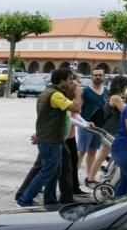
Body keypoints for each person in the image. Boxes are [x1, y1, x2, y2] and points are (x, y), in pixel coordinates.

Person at [16, 67, 80, 207]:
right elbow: (76, 108)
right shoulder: (56, 95)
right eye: (69, 79)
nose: (71, 82)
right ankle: (24, 200)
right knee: (47, 172)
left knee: (54, 172)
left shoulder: (50, 92)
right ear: (61, 80)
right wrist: (78, 92)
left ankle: (50, 201)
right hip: (51, 141)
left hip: (51, 139)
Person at [87, 74, 127, 185]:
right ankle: (90, 179)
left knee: (113, 155)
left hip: (117, 129)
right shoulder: (116, 98)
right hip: (111, 129)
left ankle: (107, 173)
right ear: (122, 85)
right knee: (102, 155)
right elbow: (126, 110)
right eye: (126, 84)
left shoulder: (121, 96)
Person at [77, 69, 108, 186]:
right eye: (96, 75)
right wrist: (83, 122)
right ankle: (72, 177)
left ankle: (89, 177)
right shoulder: (85, 91)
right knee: (81, 151)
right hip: (87, 125)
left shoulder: (106, 91)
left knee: (93, 151)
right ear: (91, 77)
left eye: (100, 75)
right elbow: (78, 109)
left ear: (104, 76)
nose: (98, 77)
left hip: (100, 127)